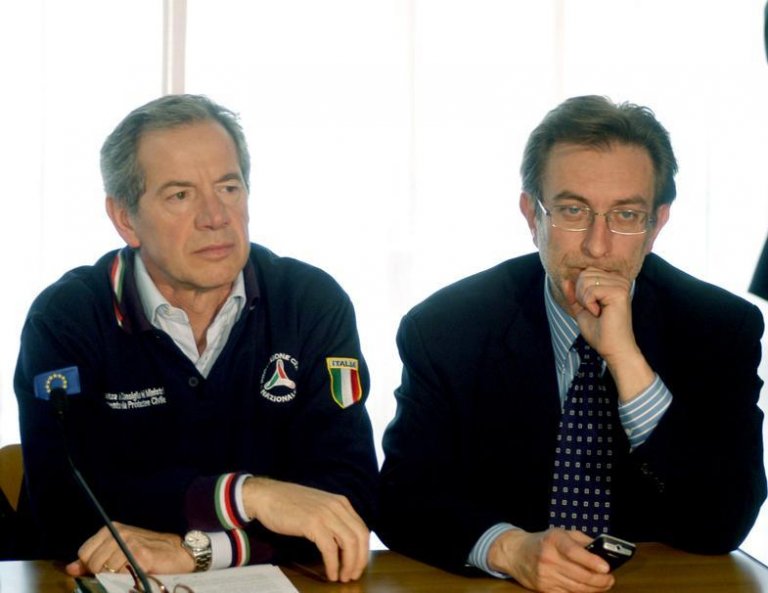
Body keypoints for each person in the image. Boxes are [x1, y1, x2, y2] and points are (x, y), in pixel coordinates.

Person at [378, 95, 766, 593]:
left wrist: (626, 361)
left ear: (656, 225)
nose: (596, 246)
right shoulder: (447, 328)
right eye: (572, 210)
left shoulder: (719, 327)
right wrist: (509, 549)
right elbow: (402, 498)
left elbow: (724, 520)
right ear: (531, 215)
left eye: (626, 215)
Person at [15, 94, 378, 582]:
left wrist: (200, 552)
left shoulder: (310, 302)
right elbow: (68, 507)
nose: (215, 216)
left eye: (229, 187)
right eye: (180, 195)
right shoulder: (67, 318)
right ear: (125, 218)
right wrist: (248, 496)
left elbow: (347, 499)